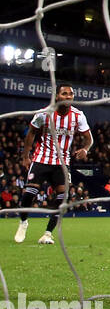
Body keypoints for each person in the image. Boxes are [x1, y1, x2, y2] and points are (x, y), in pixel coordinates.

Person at [14, 83, 93, 244]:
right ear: (57, 96)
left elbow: (88, 139)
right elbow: (31, 134)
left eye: (71, 94)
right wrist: (25, 156)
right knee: (30, 193)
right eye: (64, 94)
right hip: (42, 158)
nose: (68, 97)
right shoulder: (44, 113)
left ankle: (47, 234)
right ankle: (23, 222)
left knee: (63, 197)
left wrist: (85, 149)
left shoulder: (78, 116)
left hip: (62, 162)